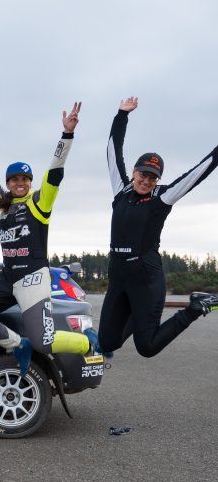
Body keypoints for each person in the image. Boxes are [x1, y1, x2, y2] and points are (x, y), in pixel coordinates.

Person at [0, 104, 92, 377]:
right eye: (14, 179)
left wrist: (67, 135)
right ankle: (17, 345)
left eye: (24, 178)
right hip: (8, 278)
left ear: (31, 181)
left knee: (43, 342)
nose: (19, 182)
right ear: (8, 183)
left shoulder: (39, 202)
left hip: (33, 279)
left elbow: (55, 171)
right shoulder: (3, 204)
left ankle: (87, 341)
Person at [96, 96, 218, 358]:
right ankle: (137, 315)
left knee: (147, 347)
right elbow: (112, 150)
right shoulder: (121, 190)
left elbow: (200, 171)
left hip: (146, 279)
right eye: (143, 174)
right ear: (134, 172)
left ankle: (195, 308)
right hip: (119, 277)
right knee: (106, 342)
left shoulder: (162, 197)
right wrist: (121, 115)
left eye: (152, 177)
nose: (146, 180)